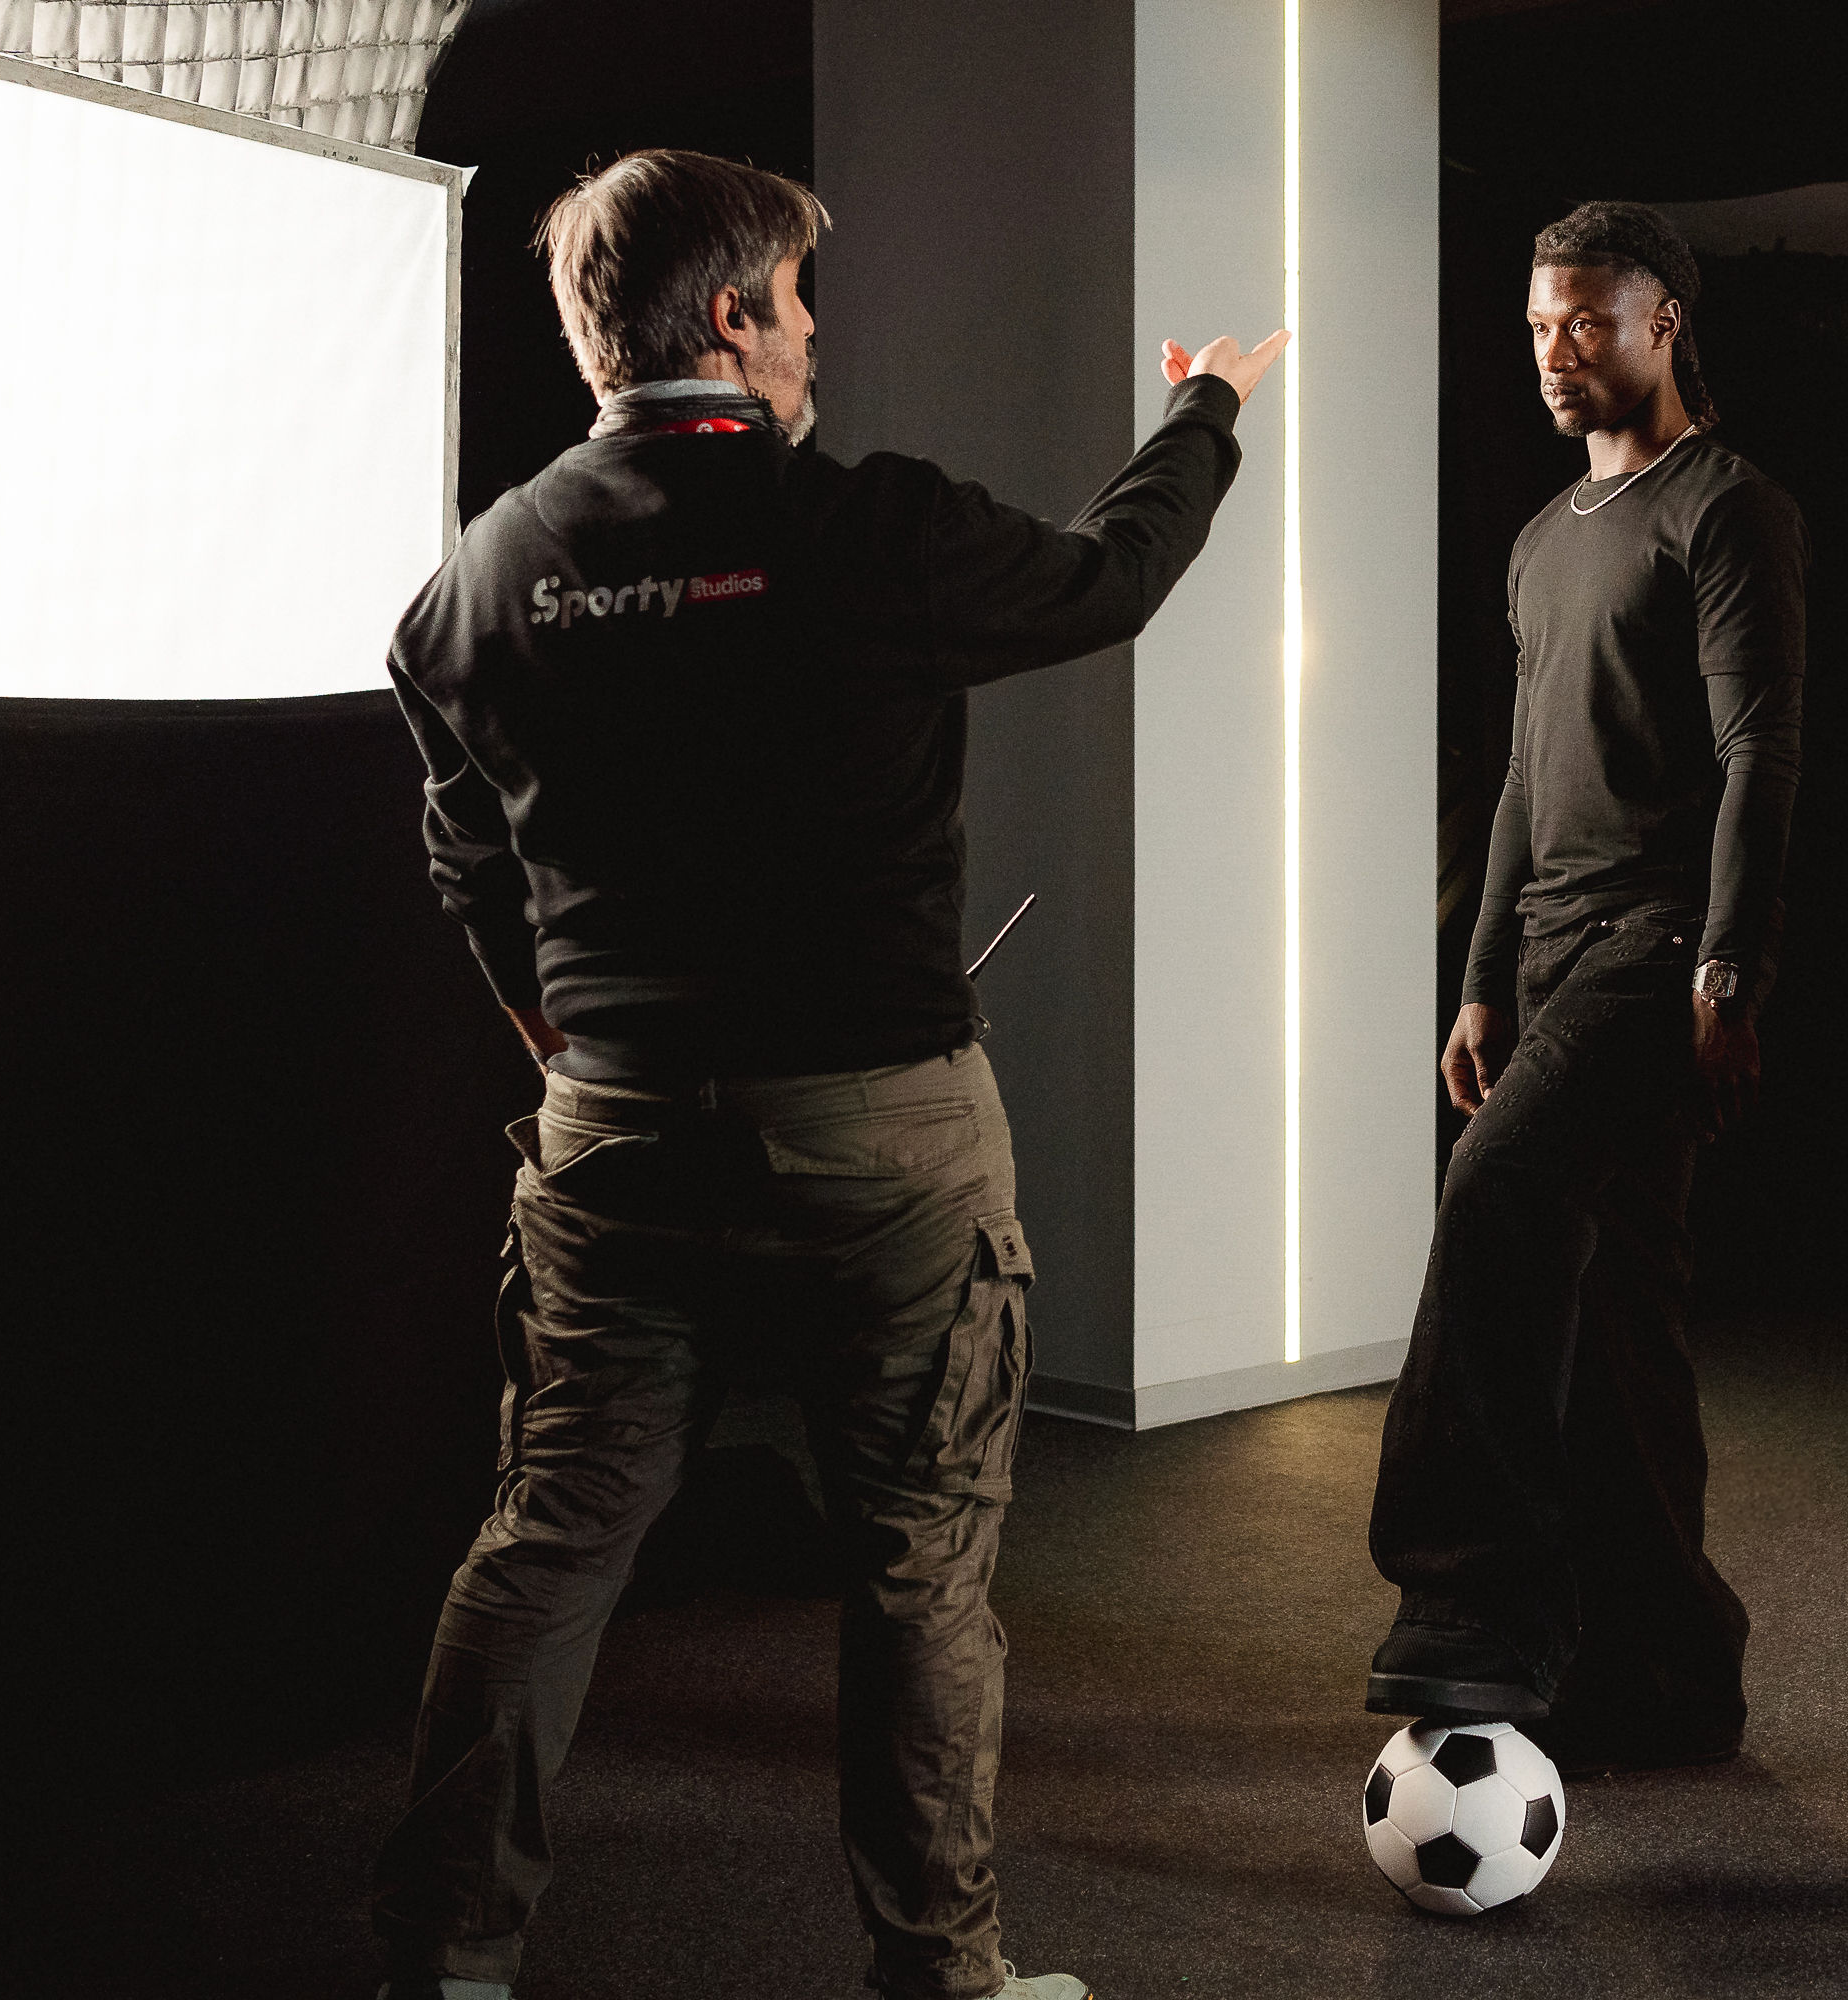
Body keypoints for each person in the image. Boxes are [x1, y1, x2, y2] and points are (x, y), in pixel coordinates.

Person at [372, 149, 1284, 2000]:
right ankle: (942, 1980)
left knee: (547, 1545)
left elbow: (468, 861)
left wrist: (566, 1042)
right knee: (919, 1571)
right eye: (798, 305)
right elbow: (1114, 576)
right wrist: (1204, 413)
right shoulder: (870, 528)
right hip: (882, 1143)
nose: (813, 339)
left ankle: (442, 1966)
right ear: (733, 319)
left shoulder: (477, 580)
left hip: (616, 1137)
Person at [1364, 201, 1806, 1774]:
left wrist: (1729, 970)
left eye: (1588, 324)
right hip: (1549, 949)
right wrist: (1483, 976)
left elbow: (1759, 752)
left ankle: (1465, 1602)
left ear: (1664, 323)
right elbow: (1516, 778)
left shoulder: (1729, 509)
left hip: (1657, 942)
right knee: (1623, 1322)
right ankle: (1671, 1670)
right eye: (1541, 326)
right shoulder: (1545, 536)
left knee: (1495, 1196)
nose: (1557, 352)